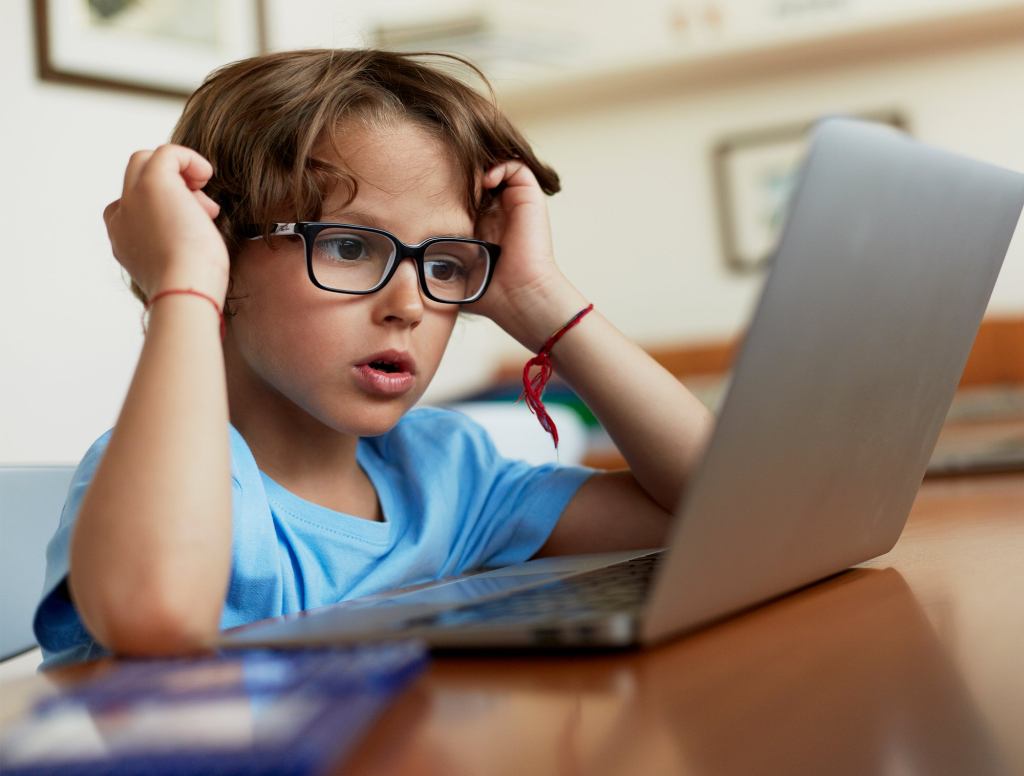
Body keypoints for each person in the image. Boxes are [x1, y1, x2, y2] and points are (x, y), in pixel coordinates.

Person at [33, 49, 713, 668]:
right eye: (351, 248)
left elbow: (716, 509)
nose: (409, 303)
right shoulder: (170, 481)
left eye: (444, 263)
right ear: (222, 251)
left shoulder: (447, 475)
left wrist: (538, 297)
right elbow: (156, 614)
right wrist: (182, 286)